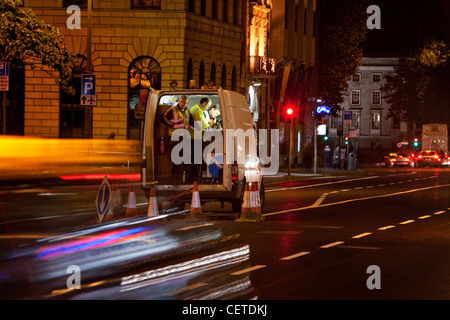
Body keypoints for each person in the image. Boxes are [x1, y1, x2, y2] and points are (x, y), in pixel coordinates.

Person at [161, 95, 194, 183]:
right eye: (181, 102)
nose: (182, 104)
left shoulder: (187, 110)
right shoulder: (173, 109)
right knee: (176, 159)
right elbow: (163, 117)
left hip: (184, 137)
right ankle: (176, 179)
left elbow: (191, 122)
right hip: (174, 138)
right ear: (179, 101)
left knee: (184, 159)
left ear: (187, 103)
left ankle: (181, 179)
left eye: (184, 102)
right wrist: (171, 125)